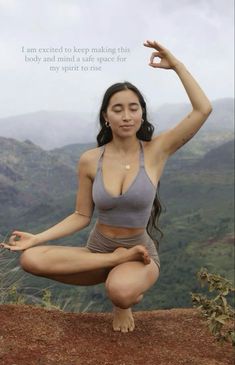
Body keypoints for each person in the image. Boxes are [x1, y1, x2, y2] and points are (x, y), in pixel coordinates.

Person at [0, 40, 212, 333]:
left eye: (133, 108)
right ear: (106, 116)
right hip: (98, 252)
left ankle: (122, 285)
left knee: (121, 292)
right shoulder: (90, 160)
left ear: (141, 114)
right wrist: (37, 238)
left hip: (139, 252)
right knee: (30, 259)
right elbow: (81, 216)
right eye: (118, 109)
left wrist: (176, 65)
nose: (126, 116)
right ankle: (116, 262)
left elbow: (202, 110)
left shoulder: (156, 151)